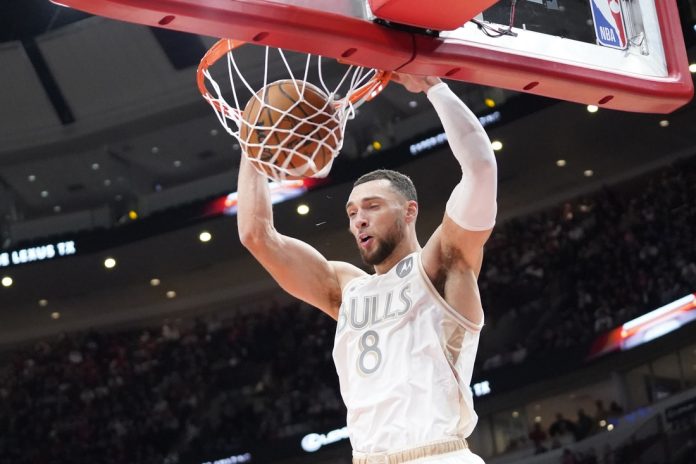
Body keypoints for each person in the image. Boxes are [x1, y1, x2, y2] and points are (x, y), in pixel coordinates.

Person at [237, 73, 497, 463]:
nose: (359, 218)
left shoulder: (441, 265)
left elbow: (480, 170)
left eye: (372, 206)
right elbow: (257, 235)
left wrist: (434, 87)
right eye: (352, 212)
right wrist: (254, 142)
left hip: (437, 454)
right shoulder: (345, 289)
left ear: (409, 211)